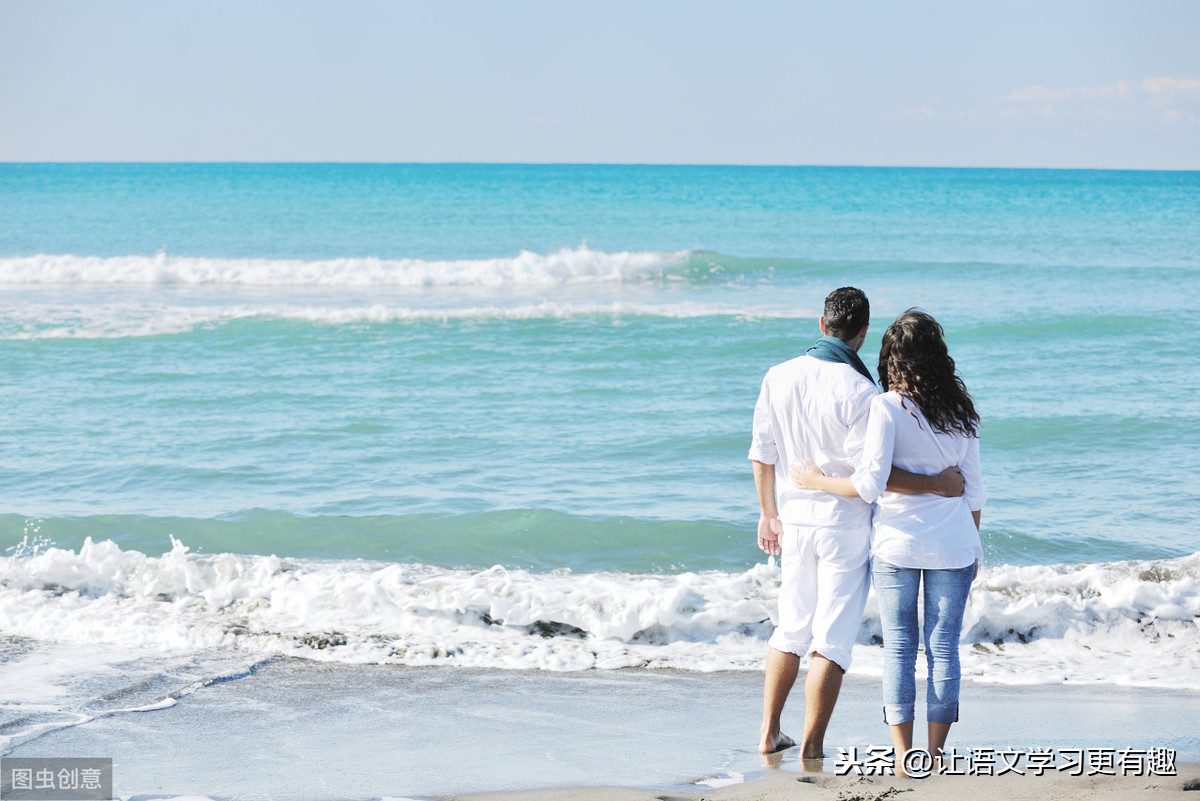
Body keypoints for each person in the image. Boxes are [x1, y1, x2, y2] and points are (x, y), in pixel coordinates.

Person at [749, 288, 964, 759]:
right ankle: (811, 745)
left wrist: (767, 513)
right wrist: (938, 485)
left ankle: (768, 731)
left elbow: (762, 452)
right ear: (862, 334)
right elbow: (876, 479)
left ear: (821, 325)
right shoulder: (863, 391)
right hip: (842, 525)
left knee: (789, 627)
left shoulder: (777, 375)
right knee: (832, 639)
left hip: (793, 521)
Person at [791, 309, 984, 774]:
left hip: (897, 544)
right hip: (955, 544)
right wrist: (971, 543)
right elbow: (973, 489)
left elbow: (870, 482)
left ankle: (903, 755)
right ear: (938, 356)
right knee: (944, 647)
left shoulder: (887, 406)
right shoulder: (962, 411)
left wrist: (817, 481)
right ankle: (936, 755)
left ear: (891, 358)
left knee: (900, 646)